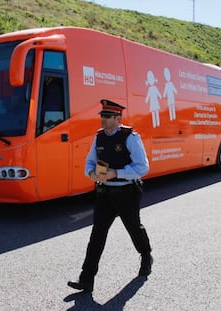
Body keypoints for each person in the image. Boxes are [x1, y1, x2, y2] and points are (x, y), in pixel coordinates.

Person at [68, 99, 153, 293]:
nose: (103, 120)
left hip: (127, 192)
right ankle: (86, 280)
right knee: (97, 235)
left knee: (134, 228)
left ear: (117, 118)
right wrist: (92, 174)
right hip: (105, 193)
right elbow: (89, 163)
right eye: (102, 116)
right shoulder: (99, 137)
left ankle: (146, 255)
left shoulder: (129, 137)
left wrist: (117, 173)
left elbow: (143, 167)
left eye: (107, 117)